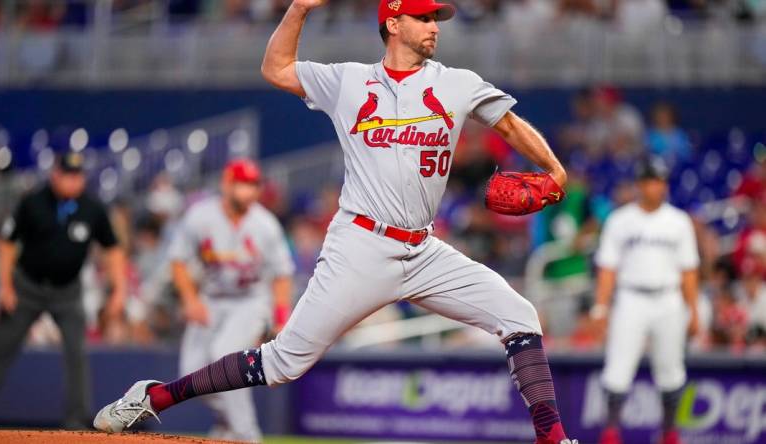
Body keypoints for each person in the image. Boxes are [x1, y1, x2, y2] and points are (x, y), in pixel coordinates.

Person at [94, 0, 577, 442]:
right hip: (361, 246)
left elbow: (509, 123)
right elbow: (276, 68)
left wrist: (554, 169)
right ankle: (153, 397)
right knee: (283, 363)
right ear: (393, 22)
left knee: (520, 316)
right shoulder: (348, 80)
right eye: (425, 17)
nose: (434, 27)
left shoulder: (457, 82)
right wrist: (300, 8)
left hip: (425, 250)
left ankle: (553, 439)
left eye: (436, 19)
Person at [0, 152, 126, 428]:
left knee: (77, 352)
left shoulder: (92, 208)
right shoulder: (33, 202)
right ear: (55, 175)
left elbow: (113, 249)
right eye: (68, 175)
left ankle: (76, 421)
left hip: (67, 292)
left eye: (78, 176)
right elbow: (8, 243)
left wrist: (119, 290)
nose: (73, 181)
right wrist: (6, 286)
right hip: (27, 288)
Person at [169, 159, 294, 441]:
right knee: (190, 374)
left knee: (224, 356)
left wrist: (281, 316)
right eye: (243, 184)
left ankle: (247, 434)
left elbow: (282, 274)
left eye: (253, 185)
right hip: (210, 299)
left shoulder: (265, 224)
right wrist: (189, 300)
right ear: (227, 183)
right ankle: (227, 424)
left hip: (250, 301)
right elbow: (177, 261)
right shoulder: (200, 217)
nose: (249, 192)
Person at [591, 157, 700, 444]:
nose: (656, 186)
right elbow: (608, 268)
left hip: (668, 298)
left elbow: (688, 270)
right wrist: (601, 307)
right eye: (651, 180)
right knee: (618, 368)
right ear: (640, 184)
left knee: (671, 369)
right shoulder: (620, 220)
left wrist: (694, 311)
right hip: (631, 297)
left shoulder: (678, 221)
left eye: (660, 180)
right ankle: (611, 432)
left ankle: (669, 433)